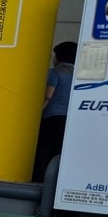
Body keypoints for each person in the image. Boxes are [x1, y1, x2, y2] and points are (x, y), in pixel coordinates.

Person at [36, 40, 77, 181]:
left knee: (42, 152)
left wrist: (37, 113)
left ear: (59, 57)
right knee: (57, 153)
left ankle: (39, 180)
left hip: (51, 117)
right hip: (68, 119)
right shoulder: (78, 75)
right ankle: (53, 181)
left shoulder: (54, 73)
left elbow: (48, 96)